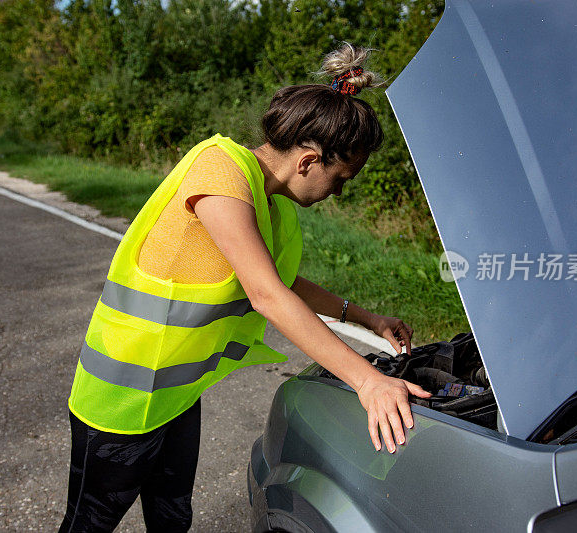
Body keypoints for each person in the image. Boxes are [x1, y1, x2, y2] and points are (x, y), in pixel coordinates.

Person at [59, 42, 431, 533]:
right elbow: (267, 295)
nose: (337, 193)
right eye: (339, 179)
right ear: (307, 161)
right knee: (89, 524)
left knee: (172, 518)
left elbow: (282, 281)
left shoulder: (269, 204)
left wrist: (366, 318)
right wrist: (368, 380)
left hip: (176, 391)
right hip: (121, 397)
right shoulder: (220, 172)